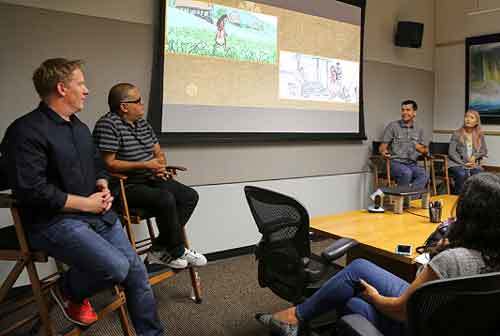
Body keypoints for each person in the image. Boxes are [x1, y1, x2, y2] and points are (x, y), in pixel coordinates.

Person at [1, 59, 164, 335]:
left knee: (136, 274)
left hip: (95, 215)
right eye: (81, 84)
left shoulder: (79, 127)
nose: (87, 90)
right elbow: (33, 190)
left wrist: (101, 183)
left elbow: (97, 164)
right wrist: (86, 203)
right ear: (62, 88)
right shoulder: (25, 131)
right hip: (52, 222)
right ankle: (67, 291)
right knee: (116, 267)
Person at [256, 172, 500, 336]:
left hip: (420, 324)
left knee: (355, 288)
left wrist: (374, 296)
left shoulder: (453, 259)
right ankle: (296, 319)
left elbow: (401, 311)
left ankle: (294, 317)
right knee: (355, 285)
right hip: (456, 321)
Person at [92, 83, 206, 269]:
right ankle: (176, 250)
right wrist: (146, 165)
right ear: (124, 106)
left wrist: (159, 167)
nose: (142, 104)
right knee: (165, 198)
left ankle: (159, 249)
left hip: (150, 178)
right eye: (137, 101)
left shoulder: (142, 124)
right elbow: (108, 163)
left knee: (189, 196)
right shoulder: (108, 125)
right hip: (126, 185)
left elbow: (158, 153)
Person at [379, 100, 429, 190]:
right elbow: (382, 147)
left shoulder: (419, 128)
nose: (404, 112)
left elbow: (425, 150)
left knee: (424, 174)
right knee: (406, 173)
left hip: (412, 163)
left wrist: (420, 148)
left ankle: (409, 200)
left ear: (414, 113)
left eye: (408, 110)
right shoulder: (393, 126)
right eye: (403, 110)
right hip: (395, 163)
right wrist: (383, 151)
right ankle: (402, 200)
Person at [448, 109, 487, 194]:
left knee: (479, 173)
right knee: (462, 174)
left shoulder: (479, 135)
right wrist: (463, 163)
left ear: (476, 122)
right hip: (456, 164)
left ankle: (472, 197)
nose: (468, 119)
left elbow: (484, 151)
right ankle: (458, 197)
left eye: (471, 117)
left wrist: (475, 156)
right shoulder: (457, 133)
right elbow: (451, 153)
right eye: (466, 117)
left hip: (472, 164)